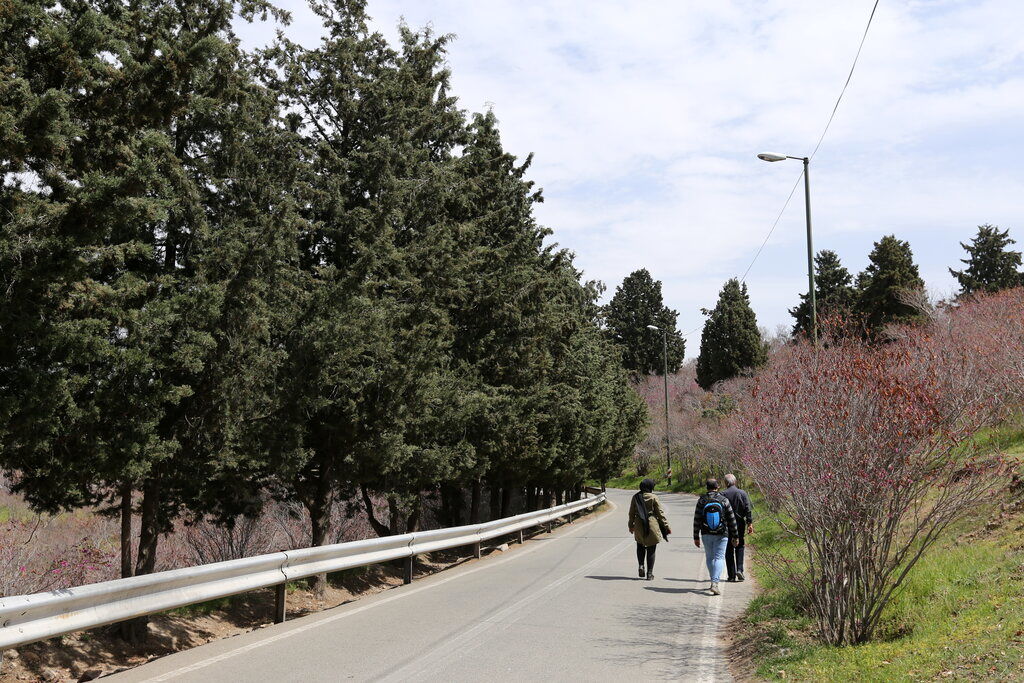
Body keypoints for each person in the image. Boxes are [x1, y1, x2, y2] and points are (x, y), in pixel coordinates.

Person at [693, 477, 738, 595]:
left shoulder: (702, 500)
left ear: (706, 487)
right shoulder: (724, 500)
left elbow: (697, 519)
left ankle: (713, 580)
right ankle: (715, 583)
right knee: (719, 557)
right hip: (721, 533)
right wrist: (735, 535)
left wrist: (696, 536)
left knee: (710, 557)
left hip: (706, 533)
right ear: (717, 487)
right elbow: (731, 518)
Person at [628, 479, 671, 580]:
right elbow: (660, 514)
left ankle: (641, 565)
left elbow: (631, 513)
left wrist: (631, 525)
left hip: (638, 523)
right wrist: (666, 526)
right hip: (651, 523)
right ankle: (649, 573)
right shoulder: (653, 497)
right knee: (651, 549)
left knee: (640, 545)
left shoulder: (635, 497)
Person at [721, 472, 754, 582]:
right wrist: (749, 523)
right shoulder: (742, 493)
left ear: (725, 483)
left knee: (728, 548)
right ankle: (740, 569)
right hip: (739, 523)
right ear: (735, 482)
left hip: (726, 524)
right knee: (740, 545)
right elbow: (747, 509)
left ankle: (731, 575)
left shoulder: (722, 494)